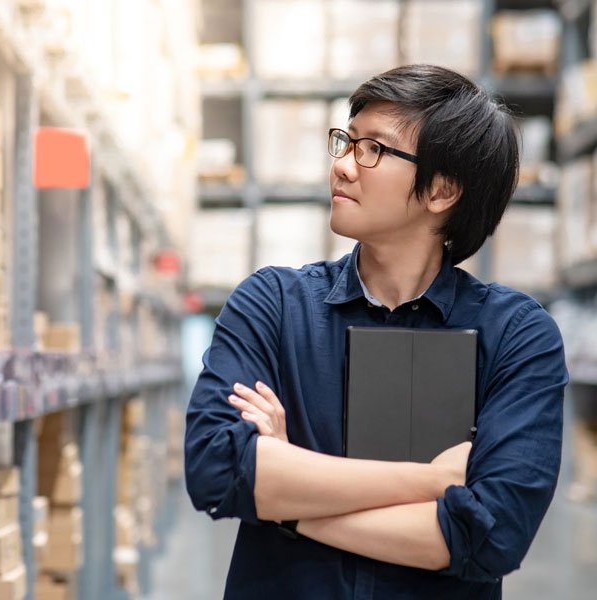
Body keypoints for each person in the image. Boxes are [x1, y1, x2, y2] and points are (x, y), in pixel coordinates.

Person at [184, 64, 568, 599]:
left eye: (374, 150)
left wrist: (289, 501)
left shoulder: (516, 337)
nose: (342, 166)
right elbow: (216, 468)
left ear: (442, 190)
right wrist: (432, 482)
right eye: (345, 141)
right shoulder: (272, 305)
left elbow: (492, 535)